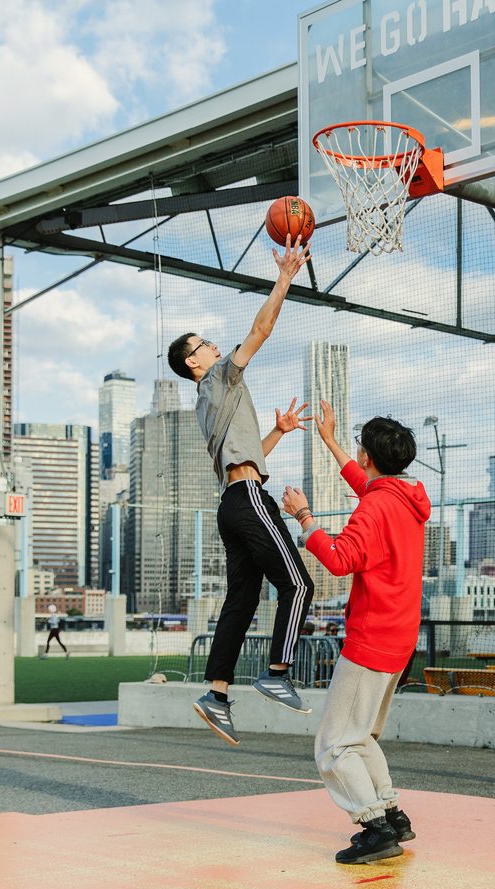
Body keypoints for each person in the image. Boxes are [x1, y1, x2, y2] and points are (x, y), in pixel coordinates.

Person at [166, 236, 315, 746]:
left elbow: (243, 455)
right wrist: (285, 277)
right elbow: (261, 328)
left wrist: (277, 432)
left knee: (242, 600)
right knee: (298, 585)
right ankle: (277, 671)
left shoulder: (207, 401)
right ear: (194, 362)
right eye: (202, 343)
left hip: (233, 503)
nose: (211, 344)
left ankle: (217, 694)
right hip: (248, 500)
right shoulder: (221, 377)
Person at [281, 400, 429, 865]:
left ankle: (374, 828)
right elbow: (366, 486)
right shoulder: (405, 499)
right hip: (400, 637)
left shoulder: (373, 509)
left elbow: (341, 560)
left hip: (372, 638)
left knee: (333, 745)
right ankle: (391, 812)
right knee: (361, 734)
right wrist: (329, 440)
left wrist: (305, 518)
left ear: (368, 455)